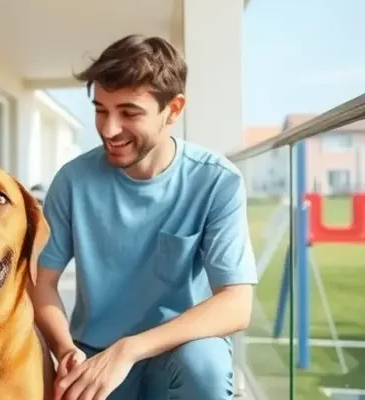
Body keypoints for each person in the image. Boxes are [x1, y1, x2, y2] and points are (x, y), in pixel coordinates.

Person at [32, 34, 258, 400]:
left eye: (129, 112)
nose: (108, 129)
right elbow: (41, 284)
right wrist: (64, 349)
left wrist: (130, 348)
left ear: (174, 109)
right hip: (93, 355)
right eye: (100, 110)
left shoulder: (217, 181)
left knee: (206, 364)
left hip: (176, 356)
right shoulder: (73, 181)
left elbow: (236, 303)